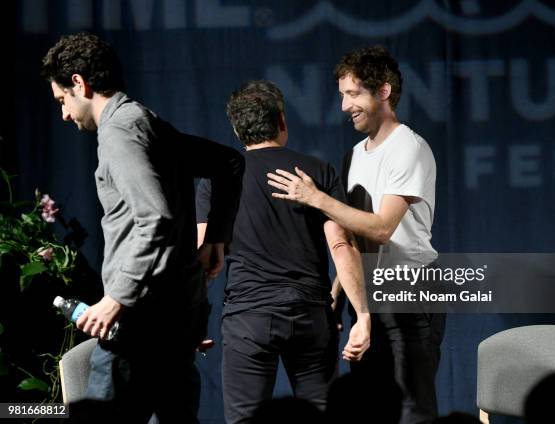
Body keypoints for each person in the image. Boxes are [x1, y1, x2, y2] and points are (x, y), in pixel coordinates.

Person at [41, 32, 242, 422]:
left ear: (79, 83)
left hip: (139, 322)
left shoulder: (118, 131)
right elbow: (228, 163)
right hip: (177, 316)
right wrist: (217, 235)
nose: (64, 114)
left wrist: (116, 298)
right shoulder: (148, 122)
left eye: (62, 100)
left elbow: (155, 217)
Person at [267, 46, 445, 424]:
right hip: (368, 296)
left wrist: (316, 198)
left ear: (382, 92)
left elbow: (380, 228)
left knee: (412, 409)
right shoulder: (354, 155)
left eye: (353, 94)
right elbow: (350, 236)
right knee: (369, 406)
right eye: (342, 96)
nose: (345, 106)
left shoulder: (408, 148)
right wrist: (336, 294)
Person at [206, 80, 370, 424]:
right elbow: (341, 244)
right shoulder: (317, 171)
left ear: (238, 130)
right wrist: (362, 315)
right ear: (282, 121)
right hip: (310, 315)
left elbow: (204, 257)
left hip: (248, 317)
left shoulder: (219, 178)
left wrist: (191, 319)